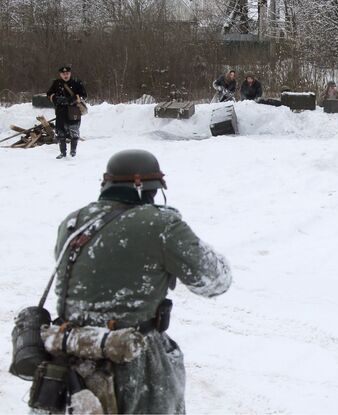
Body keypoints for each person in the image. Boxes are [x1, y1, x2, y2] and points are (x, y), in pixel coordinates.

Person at [51, 149, 232, 413]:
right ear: (146, 188)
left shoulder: (74, 221)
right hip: (133, 361)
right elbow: (215, 280)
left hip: (69, 354)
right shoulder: (160, 224)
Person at [46, 65, 87, 159]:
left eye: (67, 73)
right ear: (60, 74)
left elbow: (84, 95)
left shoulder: (77, 82)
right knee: (61, 133)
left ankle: (73, 152)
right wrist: (55, 98)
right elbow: (49, 94)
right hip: (61, 111)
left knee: (74, 133)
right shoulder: (56, 83)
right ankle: (63, 153)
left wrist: (75, 99)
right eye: (63, 73)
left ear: (70, 73)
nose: (65, 75)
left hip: (73, 110)